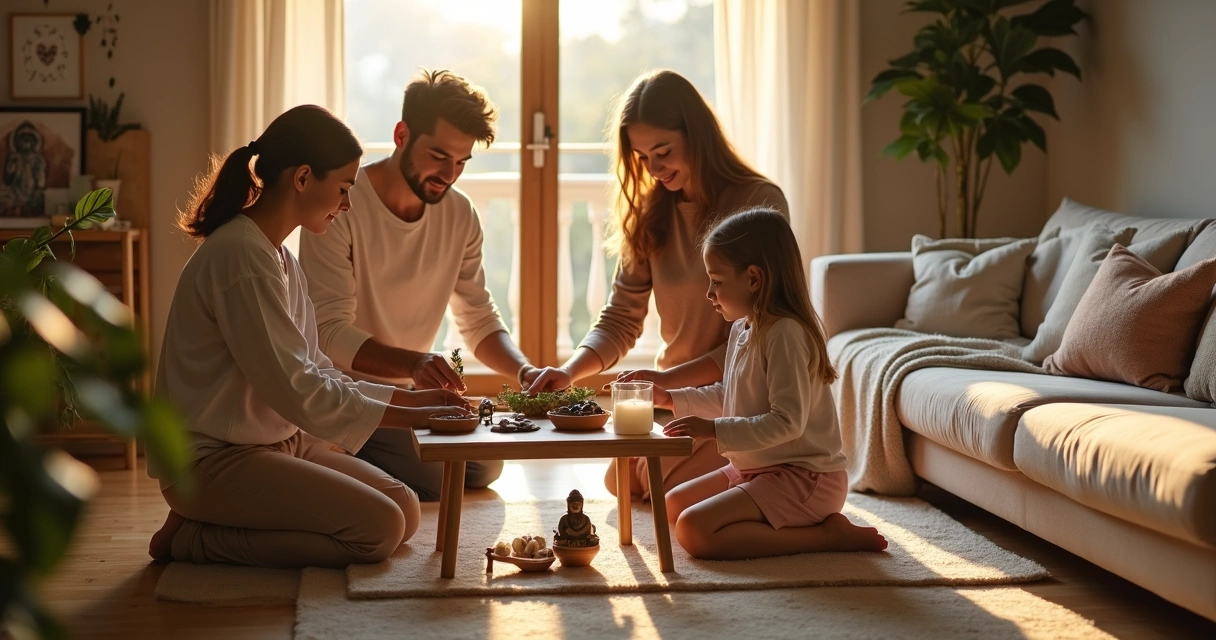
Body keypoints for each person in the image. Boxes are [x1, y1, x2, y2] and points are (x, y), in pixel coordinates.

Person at [147, 105, 471, 569]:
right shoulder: (240, 256)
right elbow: (298, 390)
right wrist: (414, 415)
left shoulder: (281, 259)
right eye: (343, 188)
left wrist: (419, 402)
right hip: (213, 460)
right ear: (302, 178)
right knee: (378, 530)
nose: (347, 203)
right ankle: (194, 539)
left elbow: (318, 370)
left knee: (405, 508)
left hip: (279, 443)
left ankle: (214, 520)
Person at [523, 69, 789, 500]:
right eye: (642, 156)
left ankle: (775, 474)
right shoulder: (651, 211)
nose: (653, 168)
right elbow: (620, 318)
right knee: (621, 482)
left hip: (739, 399)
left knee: (661, 485)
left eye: (663, 151)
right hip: (673, 397)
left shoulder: (758, 203)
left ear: (698, 135)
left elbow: (757, 334)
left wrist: (667, 382)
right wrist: (569, 372)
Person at [300, 70, 520, 501]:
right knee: (439, 476)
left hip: (409, 390)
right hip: (344, 389)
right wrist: (416, 363)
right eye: (439, 155)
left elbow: (478, 317)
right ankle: (331, 449)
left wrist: (525, 371)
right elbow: (328, 332)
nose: (449, 173)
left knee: (486, 463)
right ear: (401, 135)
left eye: (461, 162)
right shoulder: (340, 204)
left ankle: (358, 455)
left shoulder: (460, 214)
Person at [654, 208, 887, 560]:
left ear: (753, 279)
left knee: (693, 530)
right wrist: (671, 398)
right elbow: (731, 394)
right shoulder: (744, 327)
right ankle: (770, 517)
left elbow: (787, 422)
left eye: (717, 281)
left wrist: (714, 430)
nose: (709, 293)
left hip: (805, 478)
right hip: (758, 468)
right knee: (672, 504)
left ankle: (825, 535)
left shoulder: (785, 334)